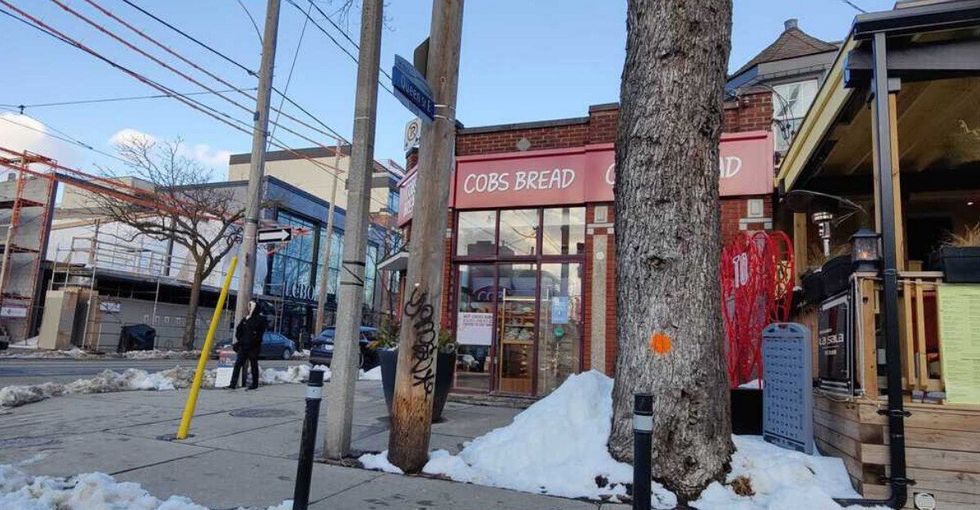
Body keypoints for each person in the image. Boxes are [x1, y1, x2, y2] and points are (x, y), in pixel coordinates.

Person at [228, 300, 267, 390]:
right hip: (243, 345)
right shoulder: (246, 318)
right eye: (248, 306)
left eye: (251, 306)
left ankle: (255, 384)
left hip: (253, 347)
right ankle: (232, 384)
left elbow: (259, 334)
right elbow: (239, 329)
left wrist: (254, 342)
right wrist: (241, 339)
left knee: (253, 365)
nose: (249, 308)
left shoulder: (260, 319)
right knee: (238, 364)